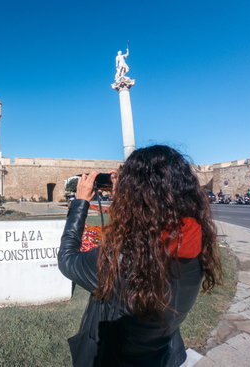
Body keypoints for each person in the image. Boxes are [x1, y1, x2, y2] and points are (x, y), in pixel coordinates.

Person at [58, 145, 222, 367]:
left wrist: (81, 202)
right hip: (162, 355)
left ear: (134, 195)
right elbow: (150, 230)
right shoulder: (196, 242)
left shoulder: (124, 258)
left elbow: (68, 260)